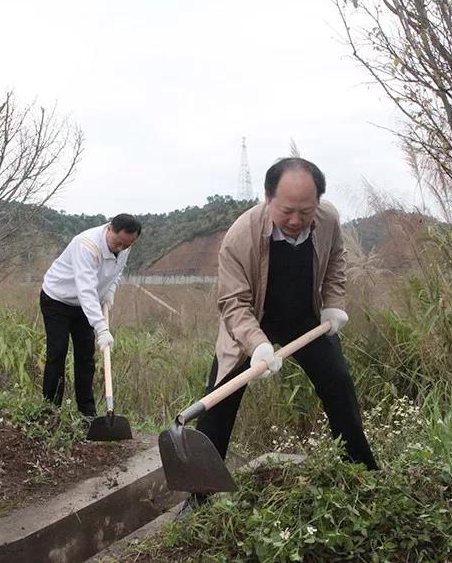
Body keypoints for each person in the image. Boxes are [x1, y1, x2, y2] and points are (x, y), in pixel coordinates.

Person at [185, 158, 377, 513]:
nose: (295, 220)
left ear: (318, 201)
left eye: (305, 211)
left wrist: (333, 304)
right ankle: (199, 496)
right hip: (251, 319)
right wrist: (257, 345)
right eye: (287, 211)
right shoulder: (240, 236)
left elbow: (336, 259)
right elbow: (232, 302)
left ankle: (363, 474)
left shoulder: (329, 219)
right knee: (219, 403)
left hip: (304, 317)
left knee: (338, 384)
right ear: (267, 198)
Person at [40, 214, 142, 415]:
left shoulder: (124, 245)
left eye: (127, 245)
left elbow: (116, 271)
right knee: (58, 352)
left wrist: (110, 291)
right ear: (109, 229)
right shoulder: (86, 245)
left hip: (87, 304)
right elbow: (85, 290)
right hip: (58, 299)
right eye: (118, 243)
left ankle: (87, 413)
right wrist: (101, 328)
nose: (121, 248)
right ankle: (50, 410)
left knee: (86, 357)